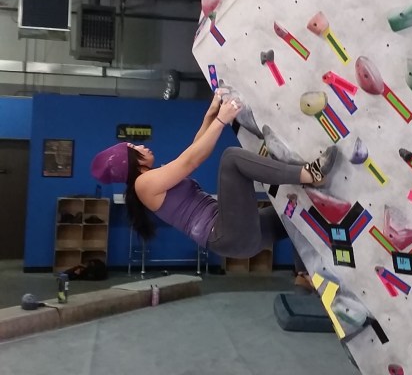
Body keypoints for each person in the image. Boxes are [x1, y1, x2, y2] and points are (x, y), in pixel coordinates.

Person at [90, 93, 338, 261]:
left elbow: (193, 151)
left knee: (297, 217)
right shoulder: (143, 184)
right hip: (226, 234)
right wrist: (221, 120)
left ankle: (326, 235)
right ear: (131, 163)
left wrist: (210, 115)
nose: (143, 148)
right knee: (231, 159)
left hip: (238, 236)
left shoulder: (150, 180)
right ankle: (309, 174)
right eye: (136, 149)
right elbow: (191, 160)